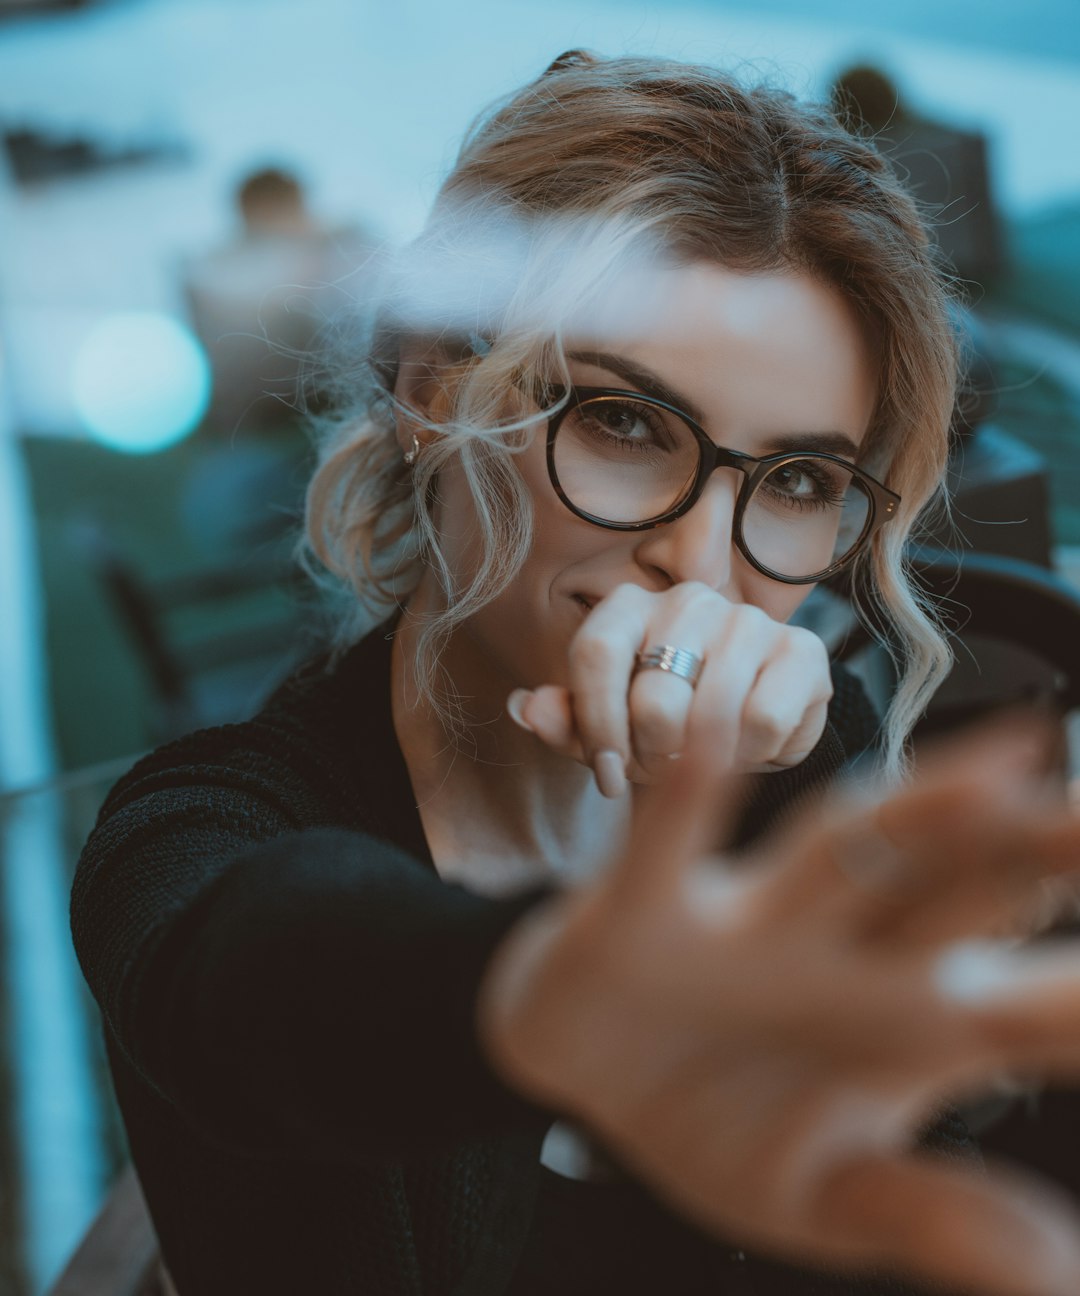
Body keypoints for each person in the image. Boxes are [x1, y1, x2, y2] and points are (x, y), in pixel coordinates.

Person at [72, 51, 1080, 1296]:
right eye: (624, 422)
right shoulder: (204, 824)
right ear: (435, 391)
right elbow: (250, 984)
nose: (701, 561)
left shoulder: (799, 754)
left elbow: (911, 1176)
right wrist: (544, 997)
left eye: (803, 481)